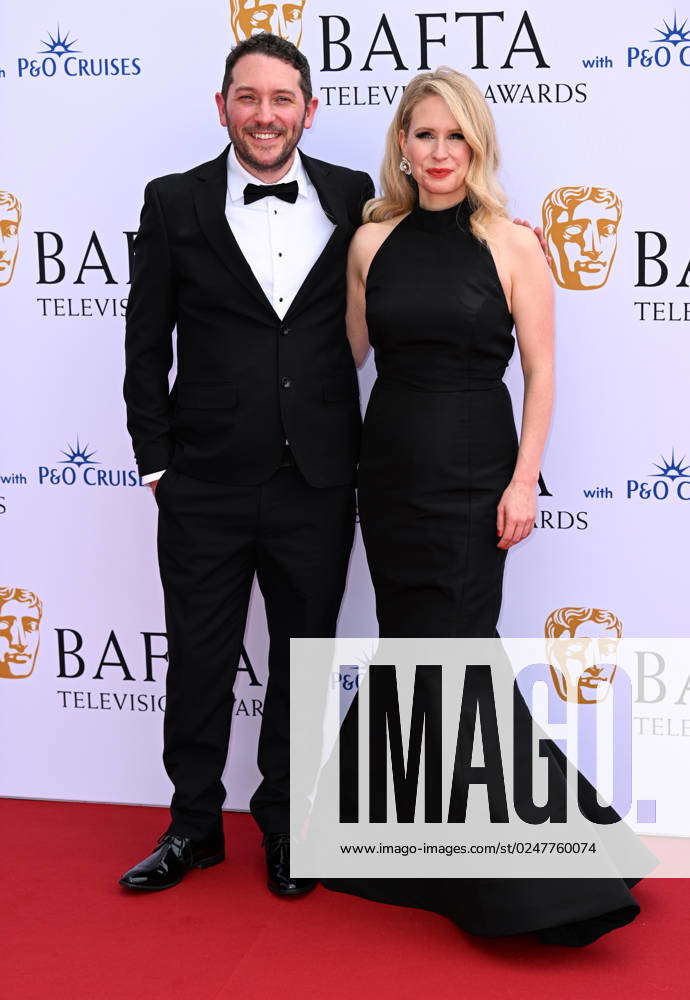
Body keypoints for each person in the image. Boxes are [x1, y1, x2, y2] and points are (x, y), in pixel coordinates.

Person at [322, 67, 649, 946]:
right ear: (402, 144)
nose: (439, 152)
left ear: (478, 147)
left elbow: (540, 371)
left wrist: (522, 480)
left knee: (460, 655)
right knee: (410, 650)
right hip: (388, 475)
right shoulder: (369, 242)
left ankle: (526, 871)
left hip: (474, 476)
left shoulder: (513, 242)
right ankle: (414, 846)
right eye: (424, 135)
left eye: (455, 137)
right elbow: (340, 359)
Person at [120, 33, 374, 895]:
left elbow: (429, 246)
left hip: (318, 479)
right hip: (205, 481)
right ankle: (193, 826)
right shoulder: (173, 201)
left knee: (304, 659)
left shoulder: (352, 194)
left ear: (309, 109)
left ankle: (285, 827)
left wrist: (506, 233)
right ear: (223, 105)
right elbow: (145, 340)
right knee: (198, 657)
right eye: (248, 97)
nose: (265, 115)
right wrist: (156, 463)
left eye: (282, 99)